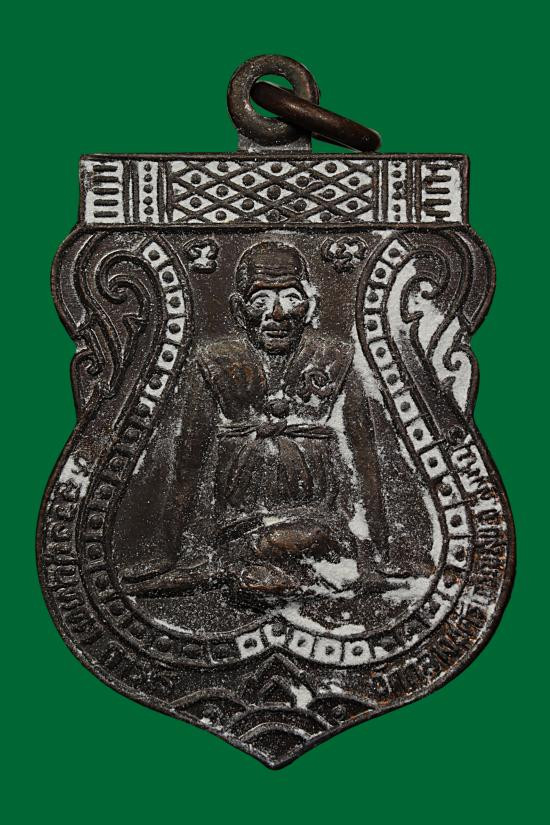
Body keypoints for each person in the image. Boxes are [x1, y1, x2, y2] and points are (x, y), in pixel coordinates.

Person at [118, 241, 432, 600]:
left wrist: (382, 548)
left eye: (292, 298)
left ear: (310, 307)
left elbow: (366, 460)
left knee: (310, 539)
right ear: (239, 311)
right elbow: (188, 461)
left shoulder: (336, 357)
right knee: (281, 548)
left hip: (323, 522)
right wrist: (168, 551)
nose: (278, 313)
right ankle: (250, 566)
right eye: (261, 300)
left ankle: (244, 568)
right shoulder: (214, 361)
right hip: (238, 522)